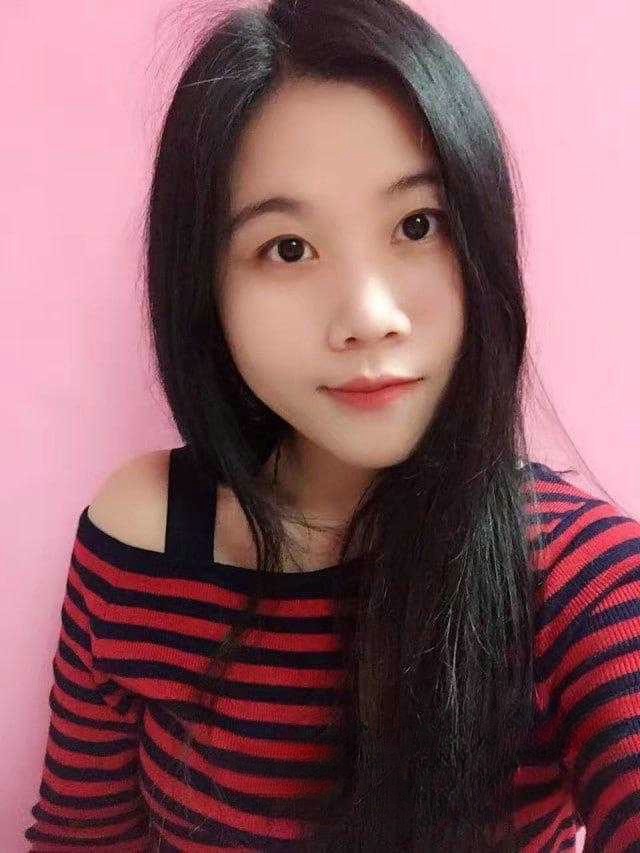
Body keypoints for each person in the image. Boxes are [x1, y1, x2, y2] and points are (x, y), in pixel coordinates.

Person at [24, 0, 640, 850]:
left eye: (418, 226)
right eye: (288, 248)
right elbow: (82, 838)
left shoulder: (581, 576)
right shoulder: (144, 539)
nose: (369, 316)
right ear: (207, 287)